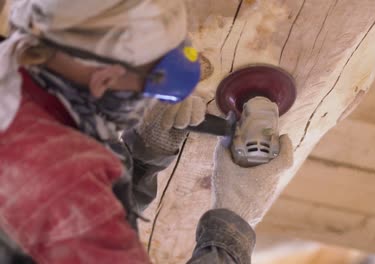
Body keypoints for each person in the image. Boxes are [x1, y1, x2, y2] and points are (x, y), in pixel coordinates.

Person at [0, 1, 294, 263]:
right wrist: (234, 220)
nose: (148, 101)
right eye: (150, 86)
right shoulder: (63, 184)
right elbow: (74, 205)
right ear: (103, 79)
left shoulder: (22, 59)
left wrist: (142, 156)